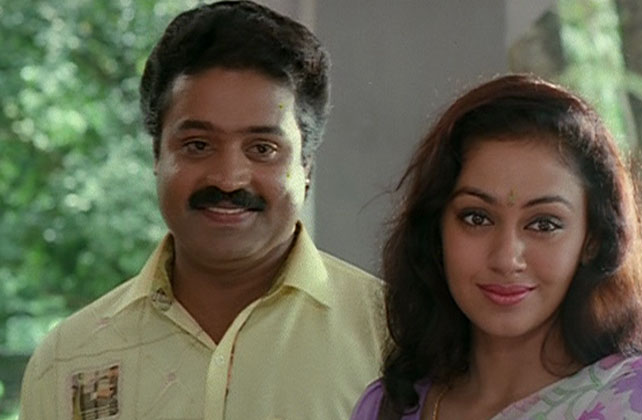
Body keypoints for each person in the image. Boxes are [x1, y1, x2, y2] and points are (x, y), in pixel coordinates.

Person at [19, 1, 384, 419]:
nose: (228, 179)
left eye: (262, 148)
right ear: (157, 156)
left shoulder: (393, 340)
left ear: (306, 168)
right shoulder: (67, 360)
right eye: (197, 145)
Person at [351, 75, 642, 419]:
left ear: (592, 239)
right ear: (436, 229)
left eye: (544, 224)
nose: (507, 258)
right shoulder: (390, 406)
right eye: (477, 218)